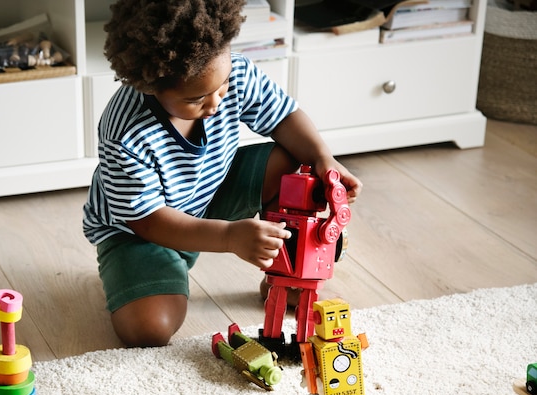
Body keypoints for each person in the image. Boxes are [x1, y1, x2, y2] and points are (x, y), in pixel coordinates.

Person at [82, 0, 363, 348]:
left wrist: (323, 159)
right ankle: (140, 275)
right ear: (151, 85)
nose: (215, 103)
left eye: (223, 84)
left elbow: (284, 118)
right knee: (149, 329)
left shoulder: (232, 73)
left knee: (292, 161)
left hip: (207, 195)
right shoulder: (125, 133)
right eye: (197, 99)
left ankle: (285, 276)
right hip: (140, 235)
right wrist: (230, 237)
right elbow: (149, 221)